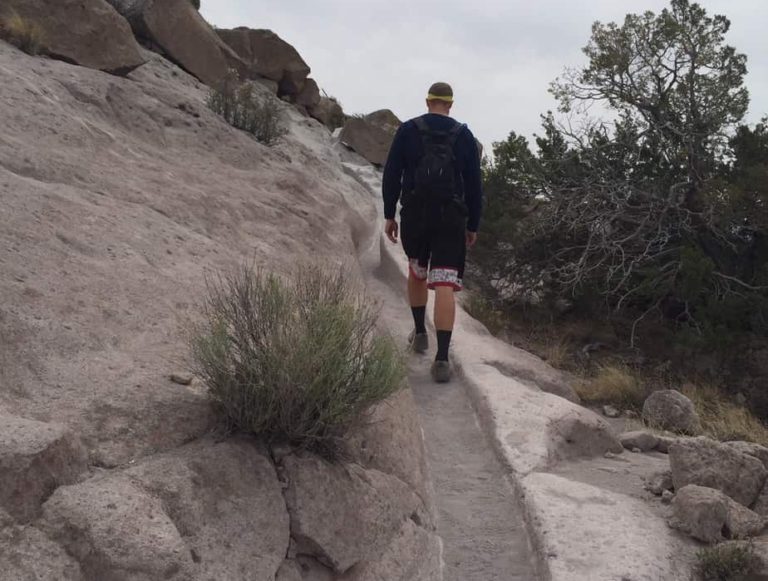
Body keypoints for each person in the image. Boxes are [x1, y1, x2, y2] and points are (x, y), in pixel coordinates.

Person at [382, 82, 483, 382]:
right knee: (445, 283)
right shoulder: (464, 136)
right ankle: (441, 359)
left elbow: (392, 174)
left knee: (417, 272)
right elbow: (475, 186)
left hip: (416, 214)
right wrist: (473, 224)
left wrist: (390, 214)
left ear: (428, 101)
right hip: (451, 217)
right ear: (450, 104)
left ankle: (420, 332)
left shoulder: (408, 130)